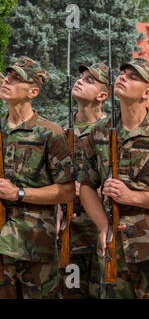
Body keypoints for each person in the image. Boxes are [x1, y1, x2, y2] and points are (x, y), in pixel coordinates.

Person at [78, 57, 149, 299]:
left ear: (147, 92)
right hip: (111, 247)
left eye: (133, 76)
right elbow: (86, 186)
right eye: (123, 74)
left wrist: (132, 197)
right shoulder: (99, 132)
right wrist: (103, 226)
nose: (123, 77)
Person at [0, 56, 76, 298]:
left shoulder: (50, 133)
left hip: (34, 246)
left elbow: (67, 191)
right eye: (8, 76)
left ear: (33, 91)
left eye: (16, 79)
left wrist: (19, 194)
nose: (7, 81)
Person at [57, 63, 109, 299]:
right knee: (70, 293)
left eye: (90, 80)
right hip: (69, 231)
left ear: (102, 95)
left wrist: (89, 190)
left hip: (102, 230)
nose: (80, 80)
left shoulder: (111, 133)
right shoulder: (60, 132)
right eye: (81, 77)